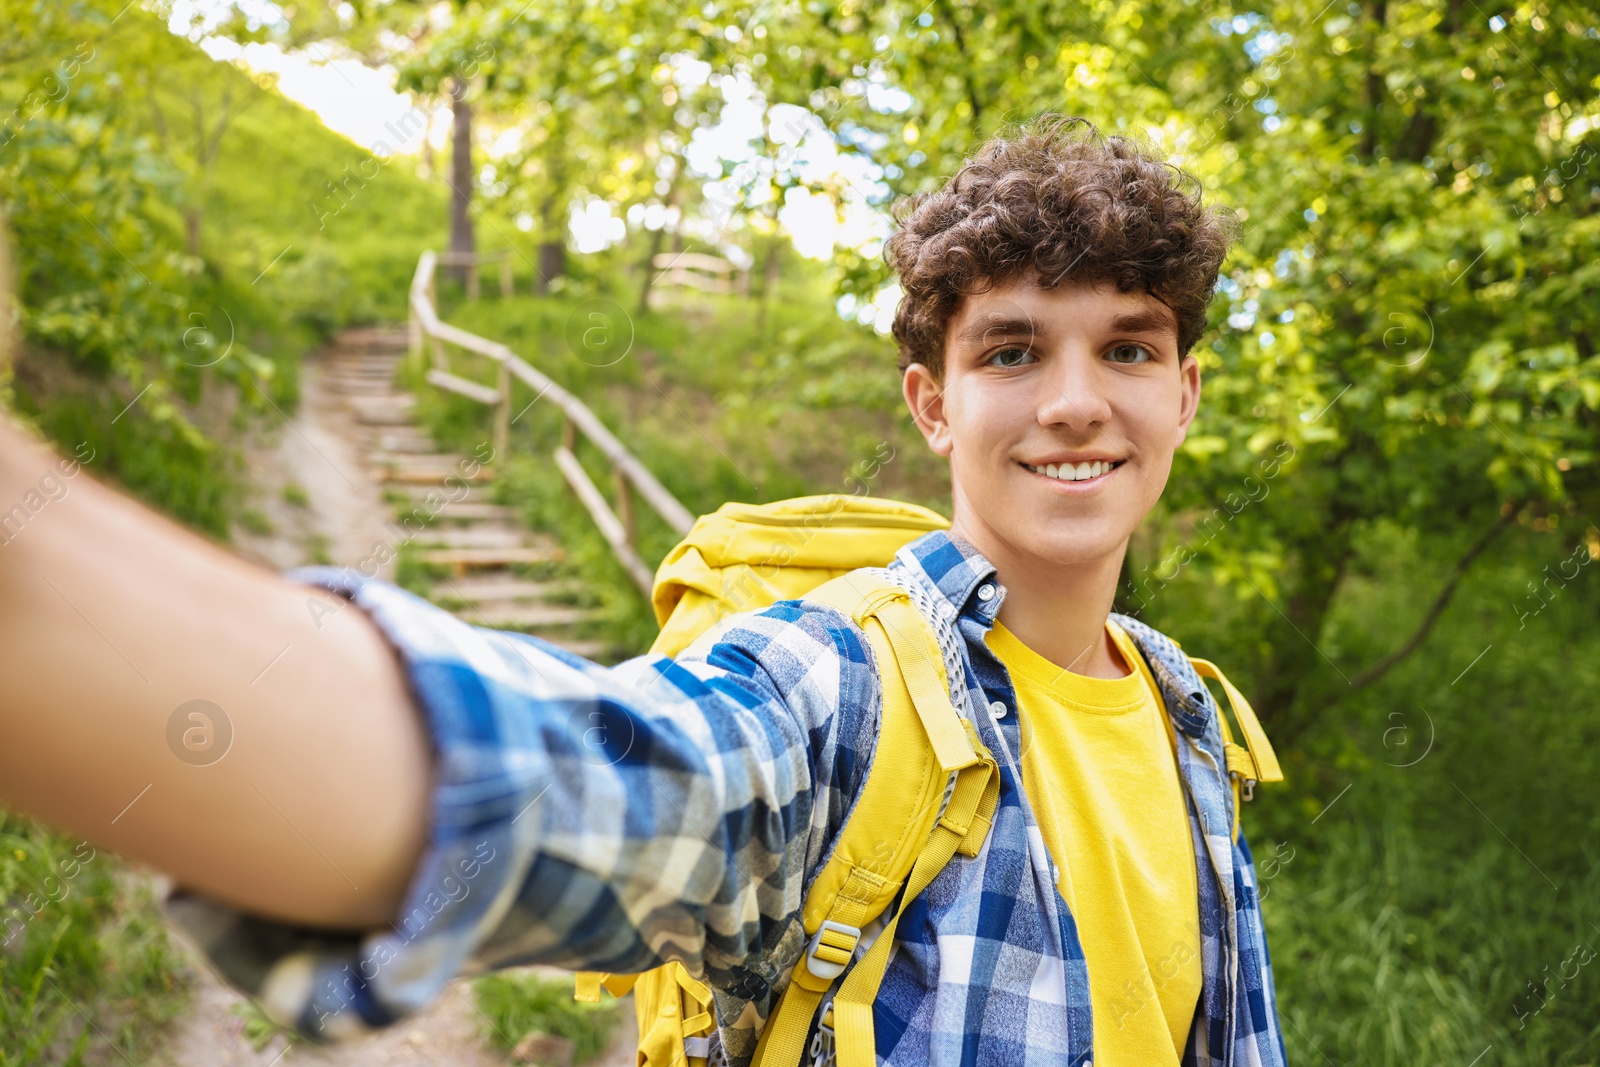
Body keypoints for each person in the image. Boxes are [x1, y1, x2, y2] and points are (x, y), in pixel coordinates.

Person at [0, 113, 1286, 1065]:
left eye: (1127, 346)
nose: (1074, 399)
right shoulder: (838, 686)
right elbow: (579, 780)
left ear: (1181, 393)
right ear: (933, 404)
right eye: (1011, 349)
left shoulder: (1190, 721)